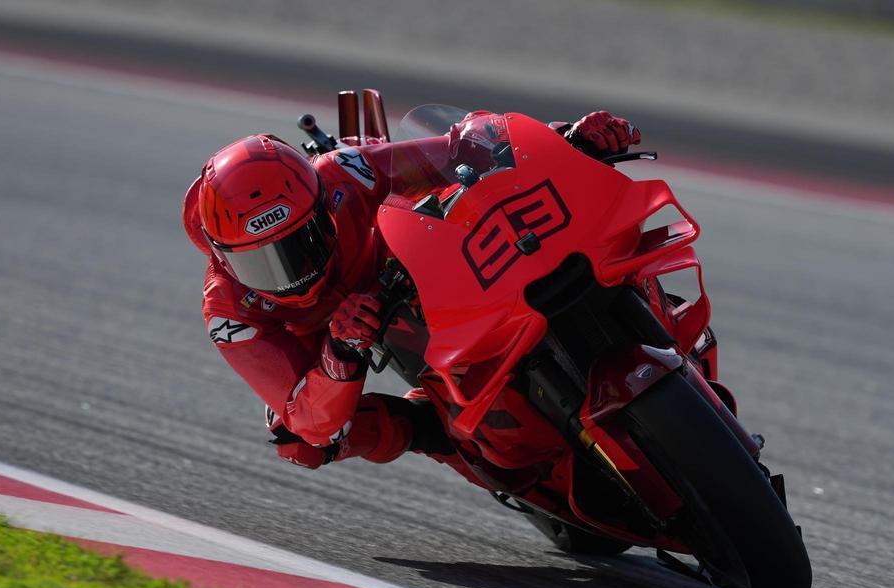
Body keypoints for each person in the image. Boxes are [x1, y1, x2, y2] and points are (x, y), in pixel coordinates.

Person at [182, 110, 641, 470]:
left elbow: (459, 149)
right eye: (258, 262)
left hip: (408, 263)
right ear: (221, 255)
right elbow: (309, 418)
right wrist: (340, 350)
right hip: (336, 338)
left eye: (300, 245)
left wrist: (567, 137)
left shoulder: (344, 173)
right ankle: (434, 431)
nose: (289, 275)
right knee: (299, 442)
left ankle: (633, 298)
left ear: (324, 205)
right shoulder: (228, 311)